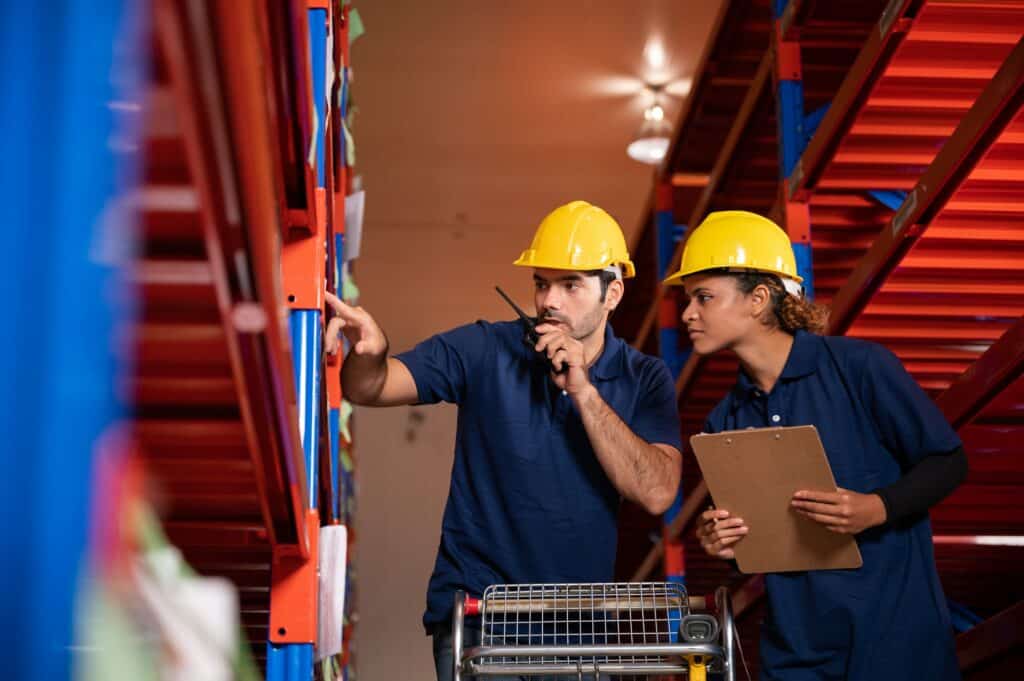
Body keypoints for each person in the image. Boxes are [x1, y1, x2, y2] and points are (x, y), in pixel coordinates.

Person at [325, 200, 683, 681]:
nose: (549, 300)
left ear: (613, 292)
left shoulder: (645, 378)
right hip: (479, 615)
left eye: (571, 284)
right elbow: (370, 386)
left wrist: (583, 391)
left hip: (581, 626)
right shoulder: (485, 349)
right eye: (541, 283)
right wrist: (372, 352)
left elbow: (657, 491)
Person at [662, 210, 967, 681]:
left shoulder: (860, 368)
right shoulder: (724, 419)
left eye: (704, 296)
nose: (687, 314)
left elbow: (948, 461)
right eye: (688, 299)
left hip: (897, 641)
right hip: (797, 653)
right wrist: (721, 538)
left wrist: (877, 507)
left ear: (759, 299)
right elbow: (763, 542)